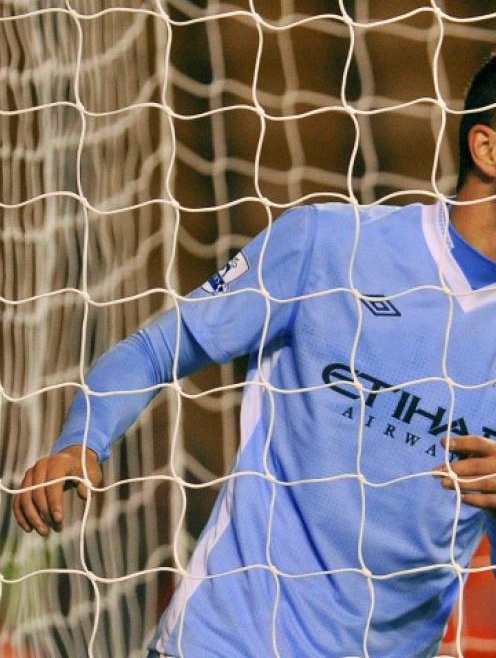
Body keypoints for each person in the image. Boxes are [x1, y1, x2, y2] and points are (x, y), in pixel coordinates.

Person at [13, 55, 496, 657]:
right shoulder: (328, 245)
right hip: (228, 640)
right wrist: (81, 441)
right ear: (486, 149)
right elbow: (160, 346)